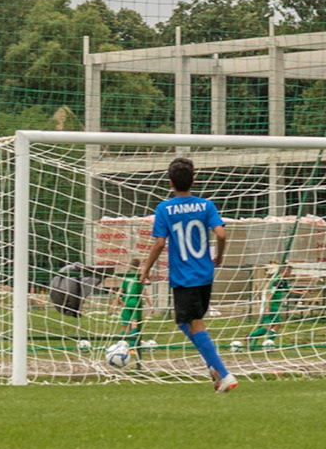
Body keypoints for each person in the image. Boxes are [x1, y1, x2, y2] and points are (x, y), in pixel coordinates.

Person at [139, 157, 237, 392]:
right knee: (185, 322)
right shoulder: (207, 205)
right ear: (193, 180)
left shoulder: (164, 209)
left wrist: (145, 269)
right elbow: (221, 235)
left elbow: (159, 243)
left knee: (194, 323)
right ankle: (214, 366)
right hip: (205, 273)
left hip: (184, 277)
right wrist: (220, 257)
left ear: (170, 182)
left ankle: (223, 374)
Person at [246, 262, 293, 346]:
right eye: (289, 272)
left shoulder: (282, 281)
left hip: (274, 305)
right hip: (272, 306)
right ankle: (268, 342)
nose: (290, 274)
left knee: (269, 326)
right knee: (276, 325)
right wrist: (267, 307)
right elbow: (269, 294)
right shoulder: (277, 281)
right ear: (285, 271)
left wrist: (301, 292)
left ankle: (250, 337)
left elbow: (287, 289)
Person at [108, 256, 146, 348]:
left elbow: (118, 293)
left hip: (126, 303)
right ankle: (133, 346)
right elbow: (144, 292)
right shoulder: (138, 277)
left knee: (125, 326)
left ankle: (120, 345)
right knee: (134, 324)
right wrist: (150, 304)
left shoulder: (126, 277)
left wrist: (113, 304)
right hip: (135, 303)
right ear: (139, 266)